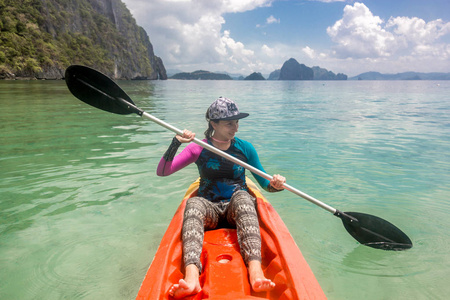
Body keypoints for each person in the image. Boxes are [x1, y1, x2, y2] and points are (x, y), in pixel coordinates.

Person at [156, 97, 286, 298]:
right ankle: (192, 279)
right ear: (213, 124)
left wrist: (276, 185)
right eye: (229, 123)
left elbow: (265, 185)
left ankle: (255, 272)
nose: (235, 128)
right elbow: (163, 172)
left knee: (243, 197)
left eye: (236, 122)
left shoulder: (245, 148)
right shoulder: (198, 147)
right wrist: (176, 143)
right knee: (193, 203)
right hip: (209, 209)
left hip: (236, 209)